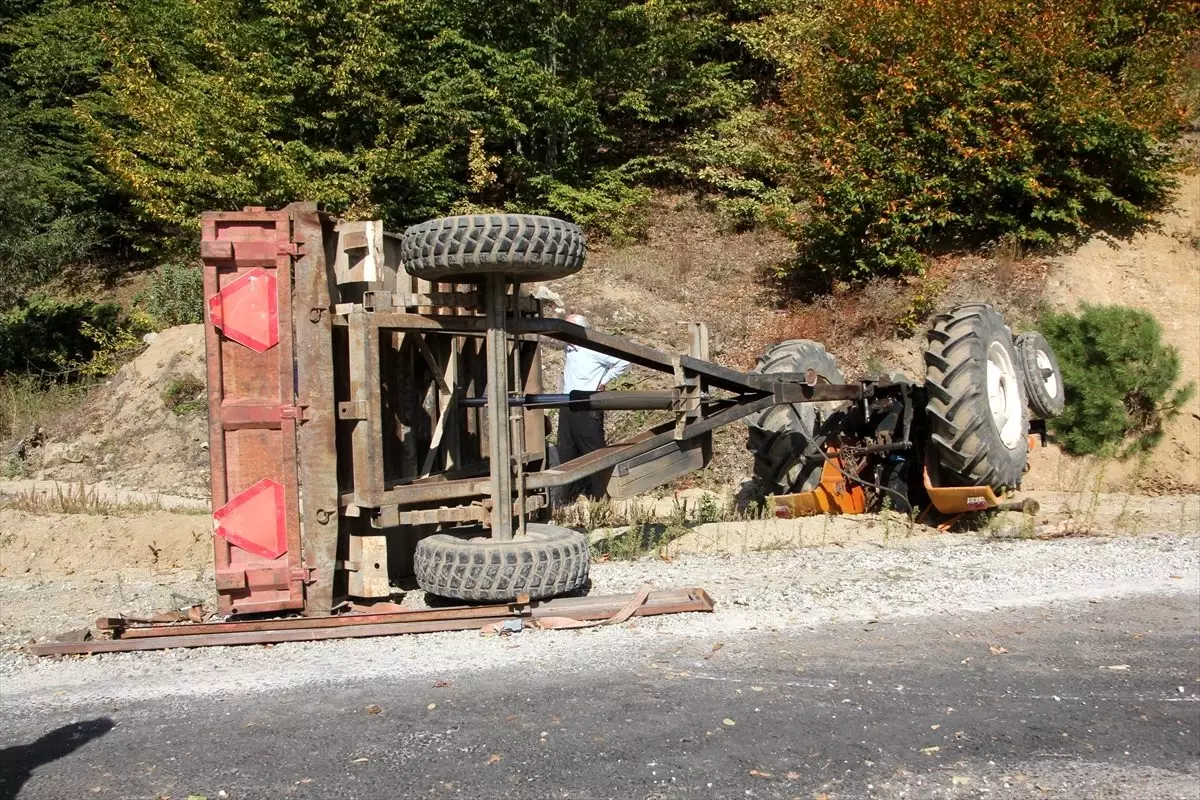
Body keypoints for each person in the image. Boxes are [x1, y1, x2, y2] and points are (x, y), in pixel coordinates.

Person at [554, 313, 630, 502]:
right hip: (568, 403)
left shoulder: (593, 348)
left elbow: (623, 361)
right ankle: (568, 498)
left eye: (568, 327)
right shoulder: (569, 348)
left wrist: (604, 381)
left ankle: (599, 497)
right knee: (566, 450)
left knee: (592, 451)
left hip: (588, 404)